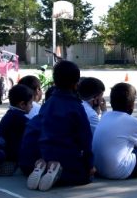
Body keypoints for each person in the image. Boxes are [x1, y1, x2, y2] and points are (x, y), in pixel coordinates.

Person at [29, 60, 94, 191]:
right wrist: (89, 165)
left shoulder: (48, 103)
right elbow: (85, 138)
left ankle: (44, 166)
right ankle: (60, 173)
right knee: (85, 177)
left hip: (45, 151)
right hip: (67, 154)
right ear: (76, 84)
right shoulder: (76, 107)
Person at [0, 84, 34, 165]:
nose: (32, 106)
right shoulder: (20, 119)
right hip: (13, 155)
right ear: (22, 104)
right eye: (30, 103)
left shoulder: (10, 114)